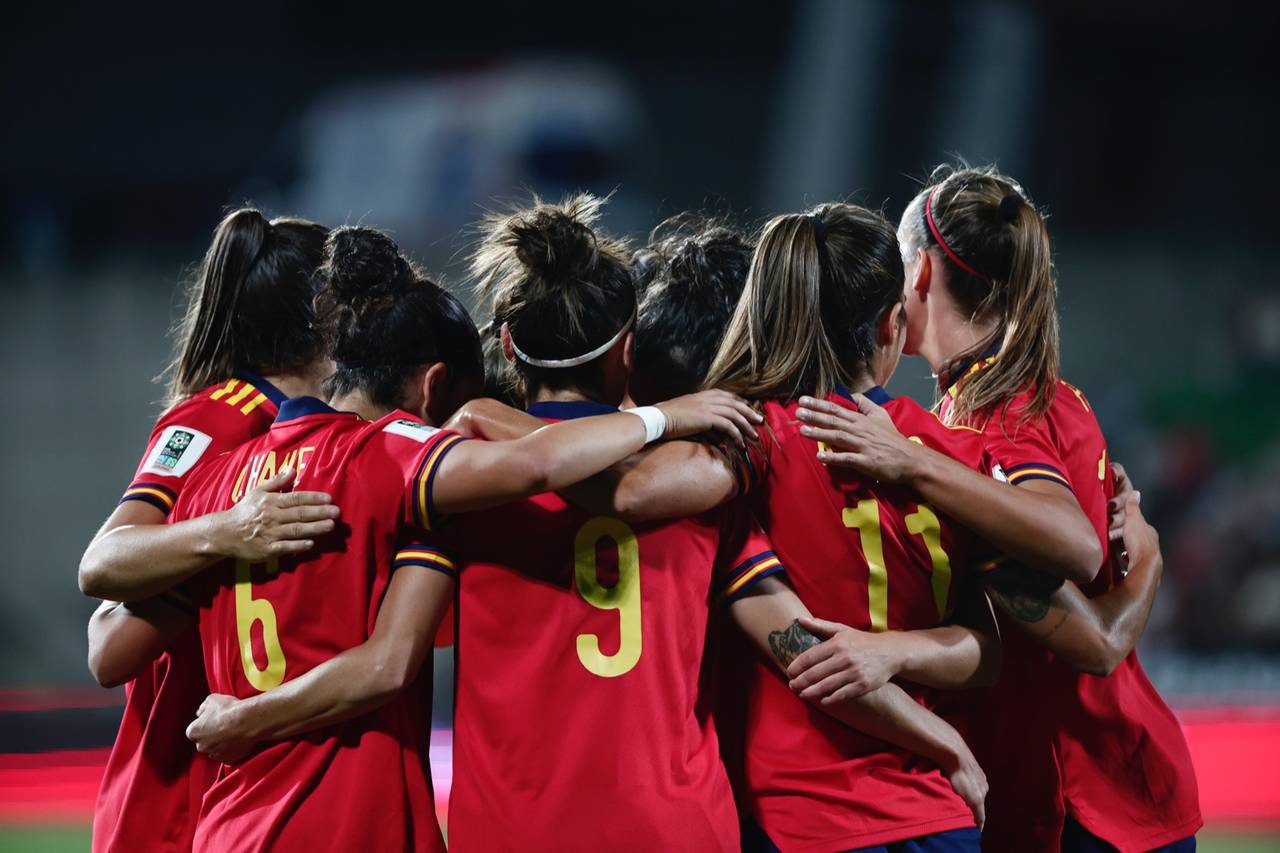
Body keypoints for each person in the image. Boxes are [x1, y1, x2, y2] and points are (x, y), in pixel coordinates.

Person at [145, 224, 756, 852]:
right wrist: (665, 419)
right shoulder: (704, 473)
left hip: (460, 829)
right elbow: (391, 660)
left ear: (509, 345)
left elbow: (113, 641)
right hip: (659, 825)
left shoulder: (220, 486)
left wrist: (240, 707)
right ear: (627, 349)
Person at [791, 165, 1201, 852]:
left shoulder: (986, 422)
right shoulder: (1050, 395)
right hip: (1132, 784)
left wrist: (912, 463)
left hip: (1082, 806)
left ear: (918, 272)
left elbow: (1088, 603)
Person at [79, 209, 338, 853]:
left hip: (259, 797)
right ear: (327, 315)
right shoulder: (225, 418)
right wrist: (229, 532)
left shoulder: (331, 435)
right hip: (177, 802)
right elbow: (104, 564)